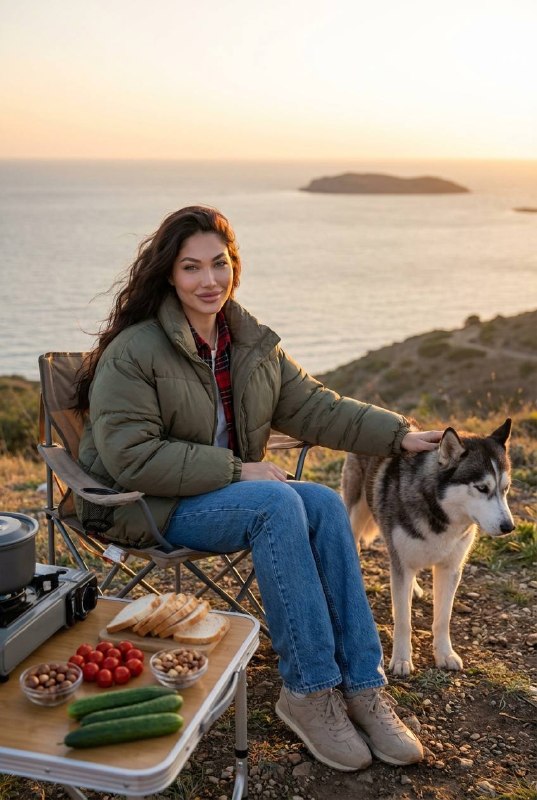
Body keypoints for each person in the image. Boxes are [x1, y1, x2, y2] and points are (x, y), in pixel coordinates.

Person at [75, 205, 442, 773]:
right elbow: (131, 457)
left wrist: (398, 435)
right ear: (169, 275)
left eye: (218, 264)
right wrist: (234, 470)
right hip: (146, 505)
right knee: (276, 501)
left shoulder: (248, 344)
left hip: (219, 497)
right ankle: (310, 690)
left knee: (319, 500)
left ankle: (361, 685)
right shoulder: (136, 351)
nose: (208, 280)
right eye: (191, 267)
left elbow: (318, 407)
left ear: (234, 266)